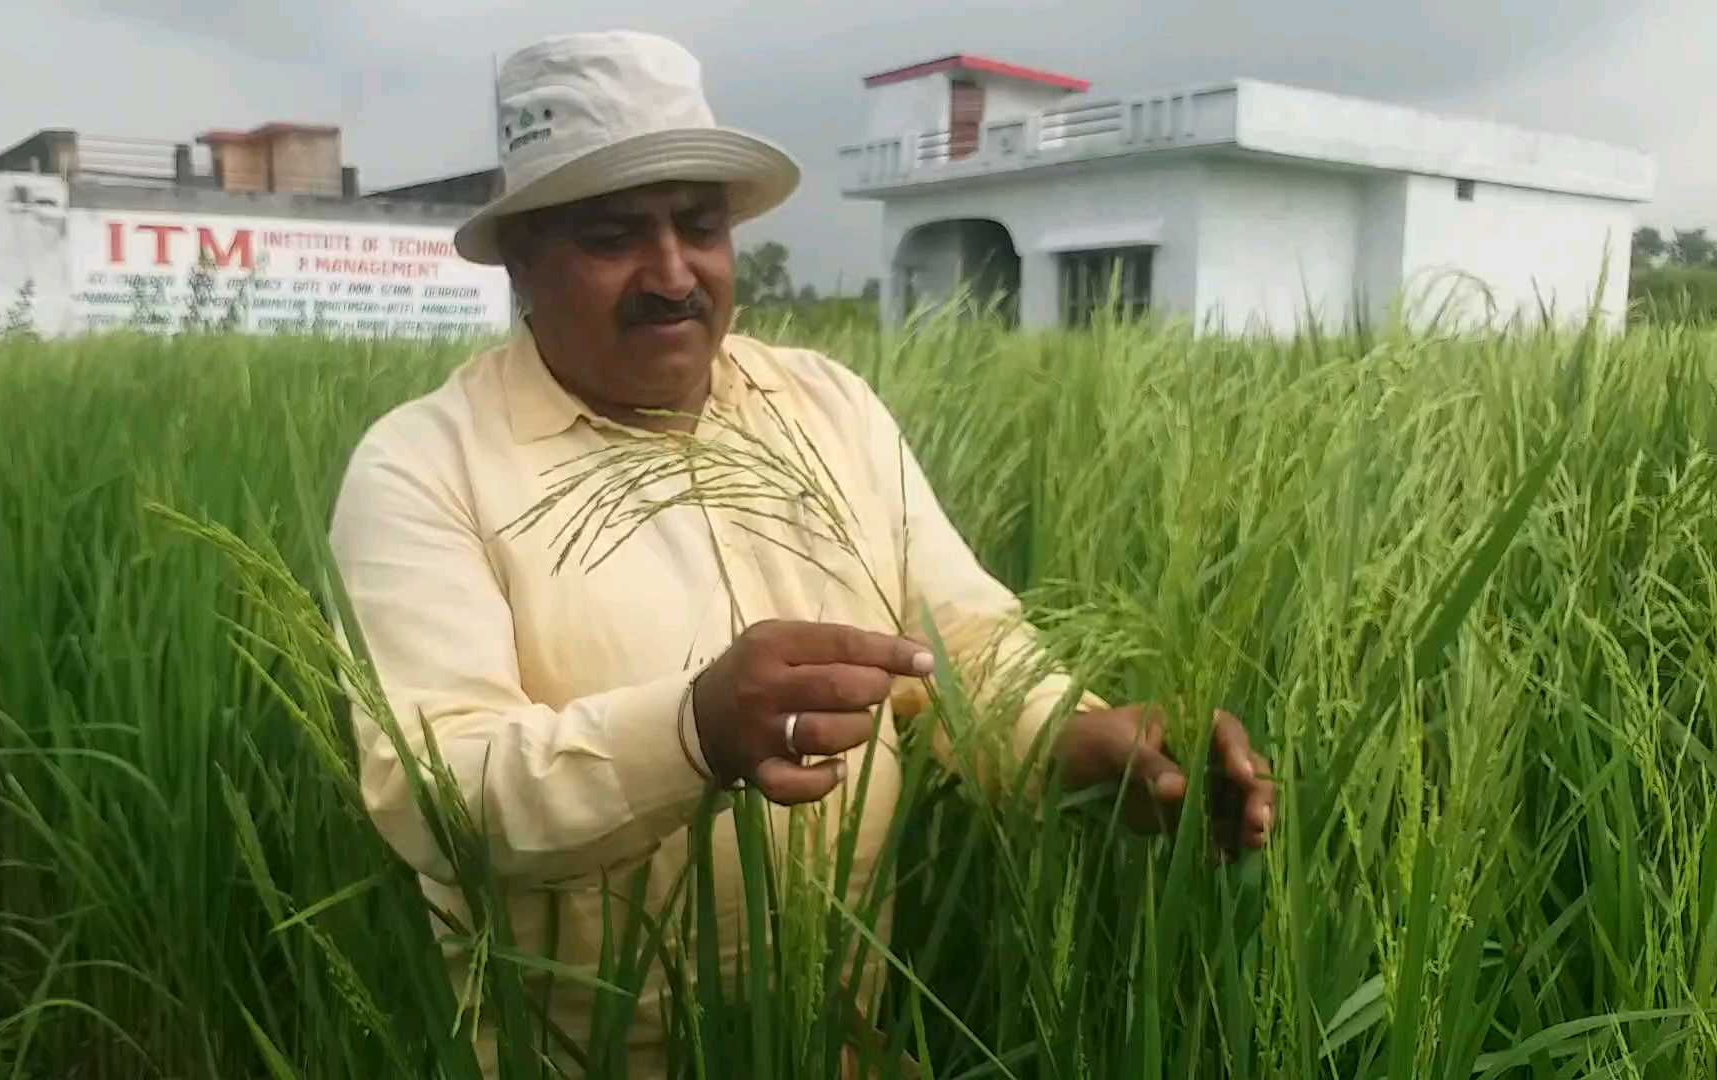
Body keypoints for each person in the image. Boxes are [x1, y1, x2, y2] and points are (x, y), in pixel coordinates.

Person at [327, 29, 1275, 1076]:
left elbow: (959, 646)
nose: (674, 274)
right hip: (580, 1057)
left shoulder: (823, 408)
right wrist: (690, 732)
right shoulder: (426, 467)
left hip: (840, 1039)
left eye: (701, 226)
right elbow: (436, 789)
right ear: (521, 261)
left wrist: (1080, 736)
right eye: (612, 237)